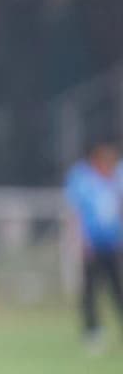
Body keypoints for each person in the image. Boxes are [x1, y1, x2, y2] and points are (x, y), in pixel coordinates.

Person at [65, 137, 123, 351]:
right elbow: (75, 213)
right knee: (90, 290)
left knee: (118, 289)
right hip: (91, 246)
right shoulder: (81, 178)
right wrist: (79, 241)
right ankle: (92, 332)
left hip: (114, 243)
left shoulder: (117, 176)